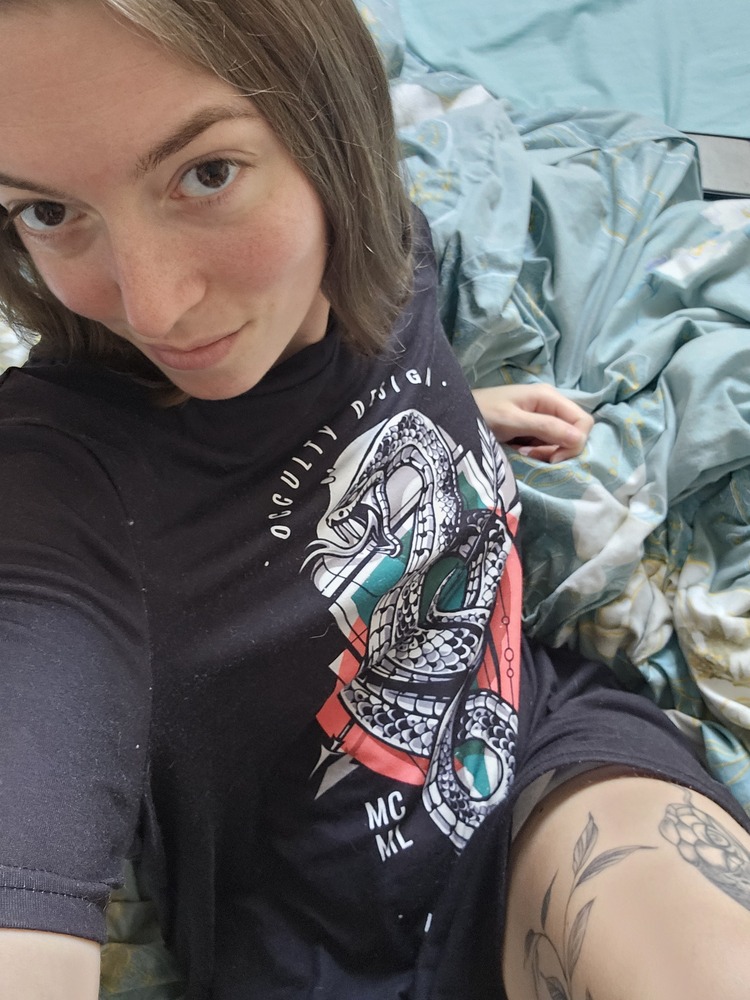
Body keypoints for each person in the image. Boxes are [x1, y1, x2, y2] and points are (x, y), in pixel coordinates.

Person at [0, 2, 748, 1000]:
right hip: (314, 953)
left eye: (207, 173)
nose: (154, 305)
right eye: (48, 211)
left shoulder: (387, 257)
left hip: (547, 754)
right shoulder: (55, 481)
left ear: (331, 132)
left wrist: (457, 410)